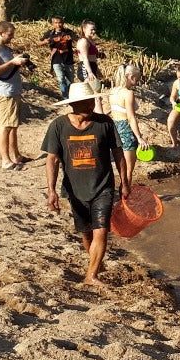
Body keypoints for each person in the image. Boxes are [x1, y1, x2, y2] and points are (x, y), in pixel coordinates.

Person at [43, 82, 125, 286]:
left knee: (101, 229)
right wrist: (51, 191)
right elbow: (52, 159)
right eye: (86, 101)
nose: (91, 104)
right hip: (75, 190)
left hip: (103, 187)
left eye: (92, 100)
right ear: (74, 104)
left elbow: (118, 153)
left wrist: (125, 182)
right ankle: (95, 263)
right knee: (85, 232)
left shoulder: (104, 123)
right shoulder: (58, 126)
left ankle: (92, 275)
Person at [0, 21, 31, 171]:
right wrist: (12, 62)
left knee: (13, 126)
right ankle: (6, 161)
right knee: (5, 126)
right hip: (5, 93)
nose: (12, 37)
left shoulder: (4, 48)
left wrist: (18, 62)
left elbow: (7, 67)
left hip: (13, 91)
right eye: (10, 34)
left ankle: (16, 156)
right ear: (1, 33)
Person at [109, 64, 150, 190]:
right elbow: (131, 117)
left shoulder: (113, 91)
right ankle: (125, 199)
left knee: (120, 166)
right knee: (128, 169)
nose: (137, 83)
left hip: (114, 128)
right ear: (130, 77)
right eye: (136, 80)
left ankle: (122, 195)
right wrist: (139, 137)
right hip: (126, 129)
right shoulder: (128, 93)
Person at [38, 15, 76, 97]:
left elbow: (77, 40)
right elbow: (38, 43)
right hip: (56, 60)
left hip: (68, 59)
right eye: (56, 23)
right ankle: (65, 97)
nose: (58, 25)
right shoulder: (50, 33)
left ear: (63, 23)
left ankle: (70, 96)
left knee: (70, 80)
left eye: (60, 23)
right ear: (52, 24)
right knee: (61, 79)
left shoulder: (69, 32)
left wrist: (70, 39)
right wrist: (46, 41)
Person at [74, 20, 104, 86]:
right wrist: (89, 72)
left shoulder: (91, 41)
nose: (94, 31)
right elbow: (85, 58)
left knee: (95, 88)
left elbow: (93, 58)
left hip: (93, 66)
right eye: (91, 30)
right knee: (89, 88)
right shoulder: (83, 41)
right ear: (84, 29)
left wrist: (98, 71)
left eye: (94, 29)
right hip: (85, 67)